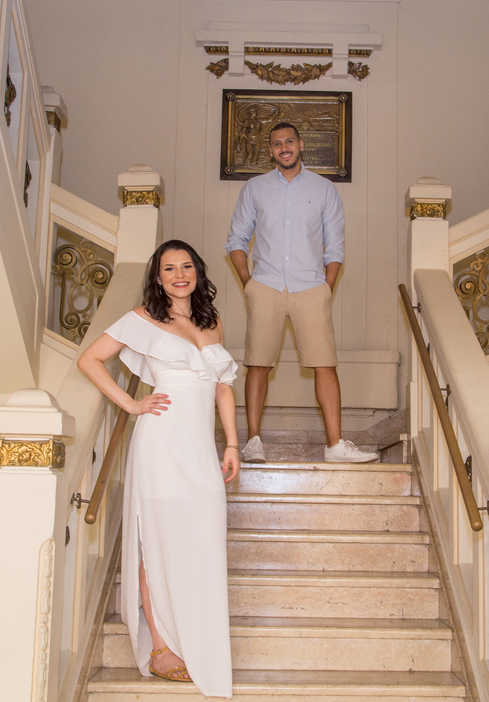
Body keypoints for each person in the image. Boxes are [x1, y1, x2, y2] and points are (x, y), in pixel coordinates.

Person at [77, 240, 239, 698]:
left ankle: (196, 637)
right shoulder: (142, 319)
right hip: (161, 443)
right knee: (157, 538)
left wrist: (230, 443)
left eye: (186, 266)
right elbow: (89, 359)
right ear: (158, 277)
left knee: (203, 537)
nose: (179, 275)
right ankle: (163, 647)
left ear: (197, 272)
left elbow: (223, 388)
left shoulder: (211, 321)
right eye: (169, 269)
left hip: (200, 450)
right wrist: (130, 403)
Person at [226, 122, 376, 464]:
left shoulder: (324, 189)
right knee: (257, 363)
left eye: (289, 141)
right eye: (277, 144)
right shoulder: (255, 188)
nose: (284, 148)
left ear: (301, 144)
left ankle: (336, 446)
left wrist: (327, 287)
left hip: (311, 287)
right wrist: (248, 282)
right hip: (265, 285)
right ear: (270, 150)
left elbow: (335, 244)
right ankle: (253, 442)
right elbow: (236, 239)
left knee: (325, 364)